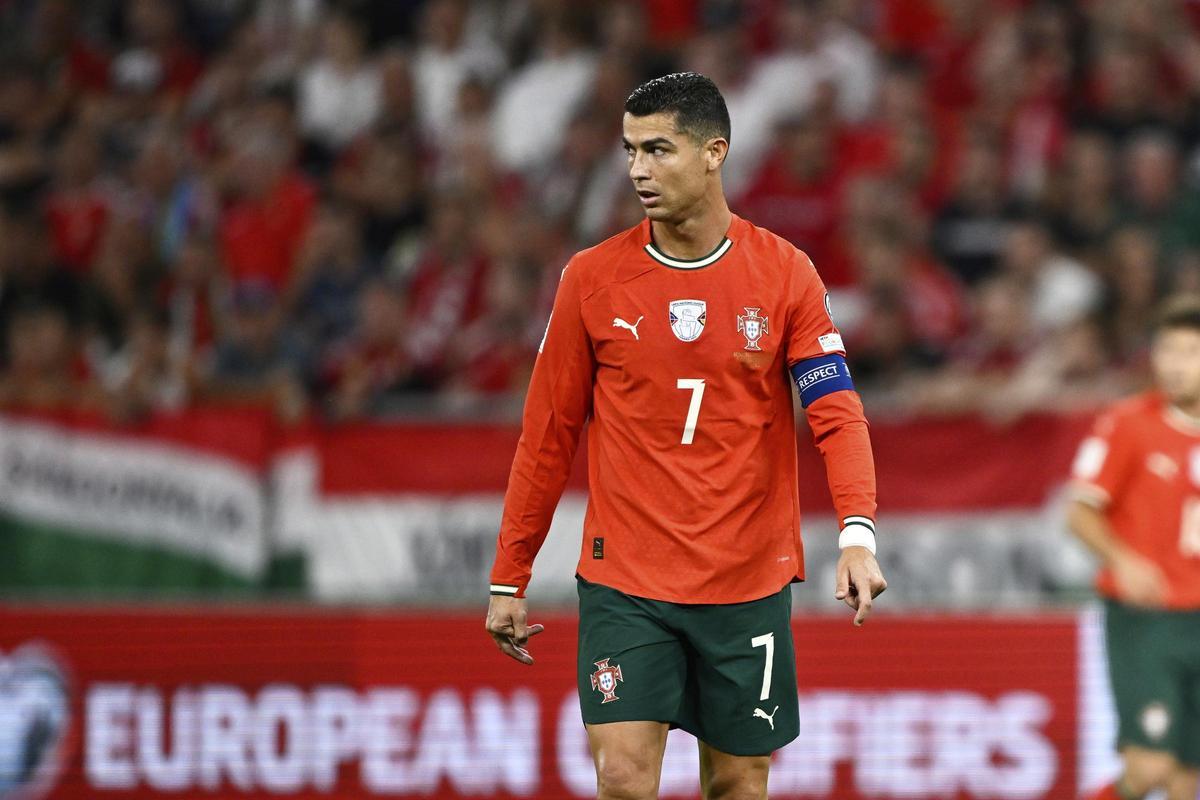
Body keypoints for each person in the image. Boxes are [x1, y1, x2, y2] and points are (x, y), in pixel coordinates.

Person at [484, 72, 886, 800]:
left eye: (659, 150)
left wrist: (857, 531)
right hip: (625, 580)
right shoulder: (590, 280)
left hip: (746, 580)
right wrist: (510, 573)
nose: (638, 169)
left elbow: (836, 412)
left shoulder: (786, 275)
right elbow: (546, 437)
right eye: (631, 150)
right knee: (624, 775)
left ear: (714, 153)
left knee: (737, 781)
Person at [1069, 296, 1200, 800]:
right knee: (1149, 769)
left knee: (1187, 778)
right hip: (1148, 620)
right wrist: (1124, 559)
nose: (1175, 364)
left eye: (1190, 351)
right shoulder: (1129, 423)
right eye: (1167, 350)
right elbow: (1078, 511)